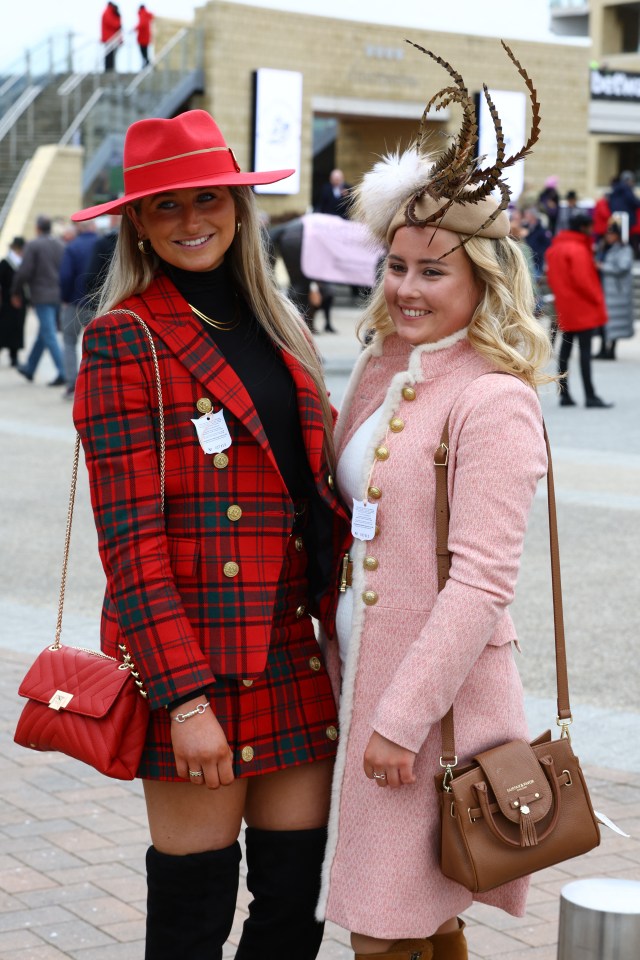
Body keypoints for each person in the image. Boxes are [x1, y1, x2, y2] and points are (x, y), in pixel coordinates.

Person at [69, 109, 351, 960]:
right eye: (166, 208)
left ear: (238, 204)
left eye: (209, 200)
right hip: (194, 666)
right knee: (193, 919)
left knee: (293, 909)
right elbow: (129, 544)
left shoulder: (283, 327)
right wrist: (182, 699)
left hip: (290, 654)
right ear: (138, 227)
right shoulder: (125, 340)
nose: (194, 222)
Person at [316, 42, 552, 960]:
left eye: (432, 272)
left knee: (382, 930)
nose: (406, 288)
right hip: (365, 678)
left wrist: (398, 720)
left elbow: (482, 584)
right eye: (397, 266)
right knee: (423, 923)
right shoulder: (381, 368)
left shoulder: (496, 398)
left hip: (432, 711)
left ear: (482, 283)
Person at [545, 212, 613, 408]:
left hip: (564, 305)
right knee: (585, 352)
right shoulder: (578, 249)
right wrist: (598, 299)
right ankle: (590, 395)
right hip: (582, 306)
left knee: (565, 350)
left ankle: (564, 394)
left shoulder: (555, 248)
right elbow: (584, 281)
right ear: (583, 227)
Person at [12, 214, 66, 386]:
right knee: (44, 333)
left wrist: (16, 291)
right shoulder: (60, 244)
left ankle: (63, 371)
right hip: (57, 295)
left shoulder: (34, 245)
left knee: (48, 334)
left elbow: (24, 271)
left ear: (37, 228)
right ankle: (30, 368)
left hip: (41, 295)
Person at [59, 221, 98, 398]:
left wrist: (65, 298)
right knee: (98, 345)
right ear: (93, 227)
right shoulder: (103, 244)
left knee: (69, 342)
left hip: (74, 303)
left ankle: (71, 385)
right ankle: (95, 385)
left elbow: (65, 276)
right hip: (98, 305)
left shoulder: (72, 247)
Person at [595, 219, 635, 359]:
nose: (609, 237)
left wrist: (603, 267)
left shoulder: (625, 249)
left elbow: (623, 267)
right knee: (603, 321)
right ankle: (602, 349)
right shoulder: (604, 248)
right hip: (604, 289)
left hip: (616, 292)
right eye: (607, 234)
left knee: (613, 322)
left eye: (611, 234)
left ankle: (611, 350)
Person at [0, 237, 27, 367]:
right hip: (6, 301)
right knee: (3, 328)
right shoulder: (5, 263)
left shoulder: (23, 263)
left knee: (17, 329)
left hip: (20, 301)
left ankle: (14, 356)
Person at [101, 1, 122, 72]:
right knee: (109, 55)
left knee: (111, 55)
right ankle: (108, 69)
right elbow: (114, 24)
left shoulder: (110, 12)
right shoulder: (108, 13)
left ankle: (110, 69)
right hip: (109, 38)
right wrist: (119, 21)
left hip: (112, 38)